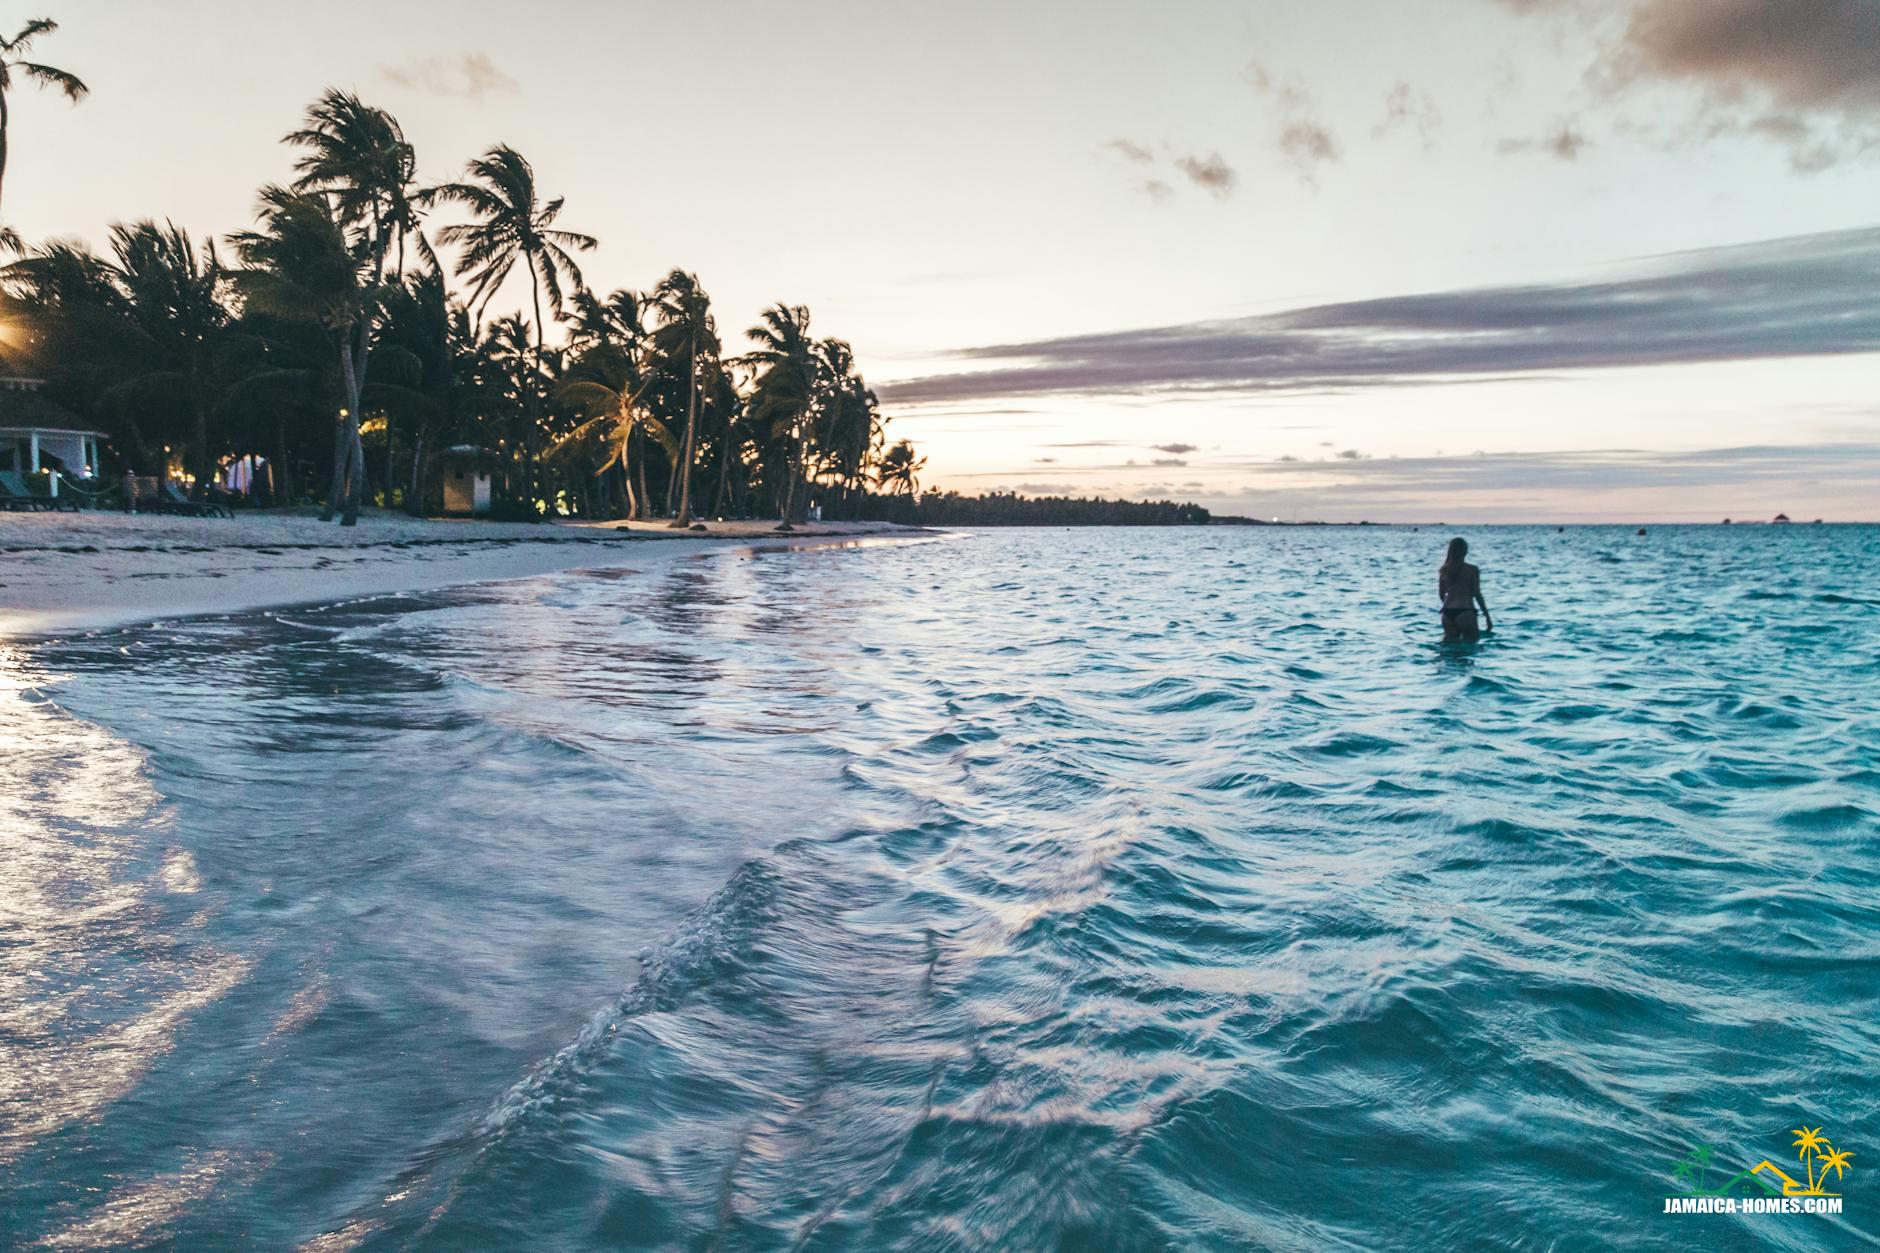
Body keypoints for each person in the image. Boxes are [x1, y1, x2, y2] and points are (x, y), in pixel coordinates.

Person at [1438, 537, 1492, 642]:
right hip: (1465, 612)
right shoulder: (1472, 570)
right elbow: (1477, 594)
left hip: (1447, 613)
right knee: (1471, 648)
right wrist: (1487, 616)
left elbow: (1441, 595)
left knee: (1450, 652)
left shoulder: (1444, 570)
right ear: (1465, 551)